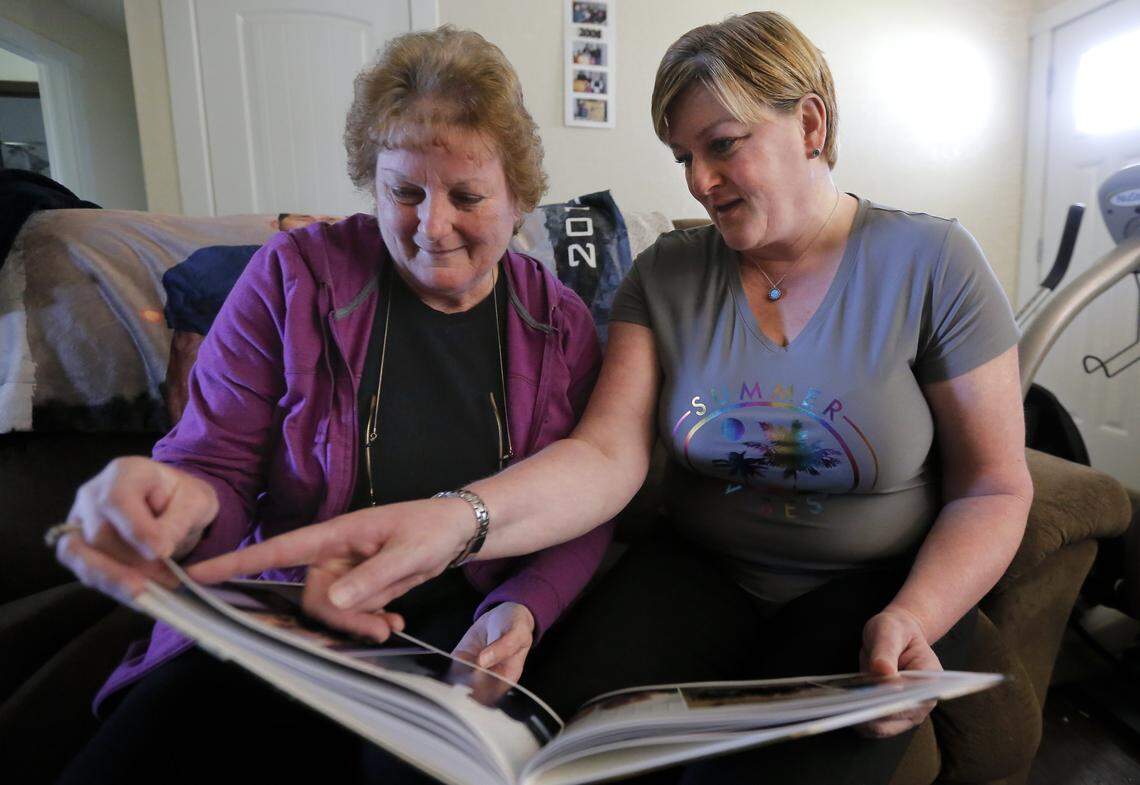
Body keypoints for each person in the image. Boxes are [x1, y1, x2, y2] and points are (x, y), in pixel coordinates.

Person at [194, 11, 1032, 785]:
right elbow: (605, 454)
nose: (700, 180)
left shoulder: (934, 263)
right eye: (682, 157)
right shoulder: (666, 274)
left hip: (871, 582)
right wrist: (461, 518)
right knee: (545, 744)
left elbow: (995, 486)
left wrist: (915, 614)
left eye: (722, 145)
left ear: (811, 125)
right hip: (700, 571)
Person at [52, 26, 610, 784]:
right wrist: (179, 502)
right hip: (291, 609)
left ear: (518, 198)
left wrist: (526, 605)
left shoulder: (560, 323)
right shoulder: (293, 277)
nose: (431, 225)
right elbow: (212, 465)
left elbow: (586, 503)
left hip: (456, 632)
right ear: (371, 185)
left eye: (467, 196)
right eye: (403, 192)